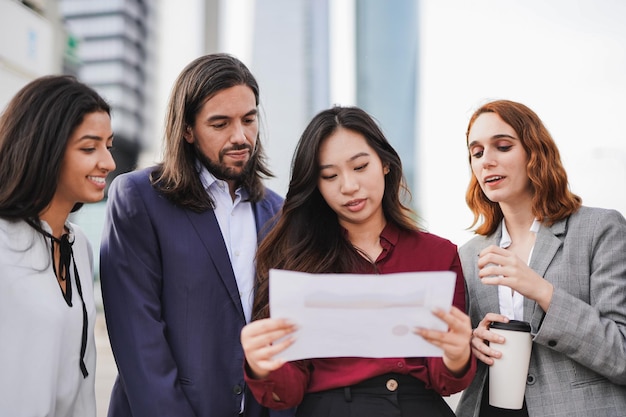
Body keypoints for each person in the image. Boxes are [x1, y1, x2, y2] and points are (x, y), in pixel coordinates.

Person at [240, 106, 476, 417]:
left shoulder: (438, 255)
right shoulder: (296, 263)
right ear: (316, 185)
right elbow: (286, 391)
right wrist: (260, 366)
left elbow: (445, 381)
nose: (348, 186)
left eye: (360, 167)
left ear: (386, 165)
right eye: (330, 175)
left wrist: (458, 355)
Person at [100, 53, 292, 417]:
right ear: (187, 130)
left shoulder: (280, 214)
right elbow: (139, 342)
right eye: (220, 124)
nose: (240, 136)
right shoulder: (138, 198)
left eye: (249, 120)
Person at [455, 99, 626, 416]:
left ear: (535, 152)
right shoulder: (469, 255)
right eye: (476, 153)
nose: (487, 161)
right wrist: (472, 344)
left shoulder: (600, 229)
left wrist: (543, 292)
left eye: (502, 147)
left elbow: (621, 355)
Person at [0, 75, 115, 416]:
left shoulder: (79, 246)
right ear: (45, 149)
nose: (108, 162)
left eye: (108, 145)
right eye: (89, 147)